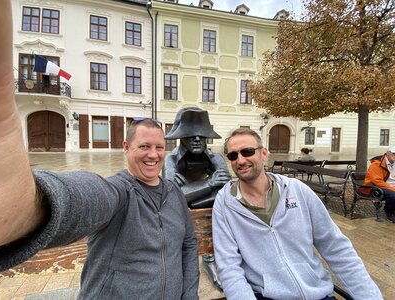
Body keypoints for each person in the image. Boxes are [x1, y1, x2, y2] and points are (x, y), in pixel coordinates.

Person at [0, 2, 199, 298]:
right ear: (126, 147)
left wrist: (189, 294)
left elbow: (189, 244)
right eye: (144, 146)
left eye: (159, 146)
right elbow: (89, 196)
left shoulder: (174, 193)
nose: (153, 154)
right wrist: (31, 205)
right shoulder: (118, 192)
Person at [212, 127, 382, 299]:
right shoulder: (226, 203)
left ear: (264, 153)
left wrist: (370, 296)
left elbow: (336, 247)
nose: (240, 160)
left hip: (318, 293)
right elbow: (229, 267)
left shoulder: (296, 190)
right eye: (233, 155)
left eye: (247, 152)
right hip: (268, 295)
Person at [163, 107, 231, 209]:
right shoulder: (171, 159)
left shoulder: (216, 158)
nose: (197, 139)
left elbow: (225, 193)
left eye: (202, 135)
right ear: (182, 137)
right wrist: (210, 183)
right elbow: (171, 197)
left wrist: (188, 194)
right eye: (191, 136)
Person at [364, 147, 395, 223]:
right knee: (393, 195)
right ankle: (389, 211)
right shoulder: (376, 164)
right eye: (394, 153)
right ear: (388, 153)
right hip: (376, 187)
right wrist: (393, 189)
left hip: (390, 186)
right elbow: (378, 182)